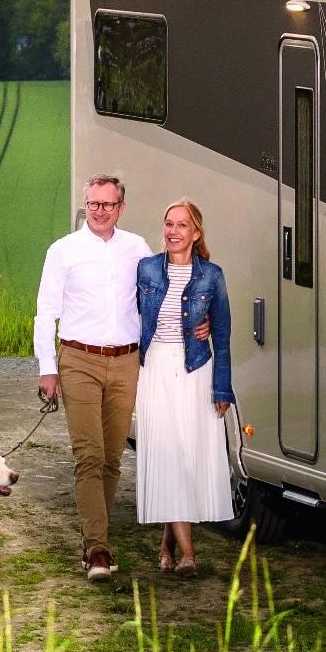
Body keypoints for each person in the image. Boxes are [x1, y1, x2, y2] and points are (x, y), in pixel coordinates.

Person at [36, 173, 153, 583]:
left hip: (125, 361)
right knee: (88, 455)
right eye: (93, 204)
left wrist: (198, 325)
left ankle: (94, 540)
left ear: (121, 207)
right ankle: (98, 548)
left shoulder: (137, 248)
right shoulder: (63, 251)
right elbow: (45, 312)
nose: (100, 211)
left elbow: (156, 299)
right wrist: (47, 368)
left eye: (108, 204)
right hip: (78, 361)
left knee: (112, 458)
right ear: (84, 205)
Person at [132, 198, 235, 574]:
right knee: (169, 454)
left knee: (187, 459)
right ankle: (189, 555)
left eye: (181, 225)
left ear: (196, 233)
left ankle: (165, 547)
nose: (173, 231)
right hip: (156, 366)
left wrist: (222, 388)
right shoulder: (146, 269)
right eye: (168, 224)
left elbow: (222, 334)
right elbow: (132, 316)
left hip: (195, 370)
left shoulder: (211, 275)